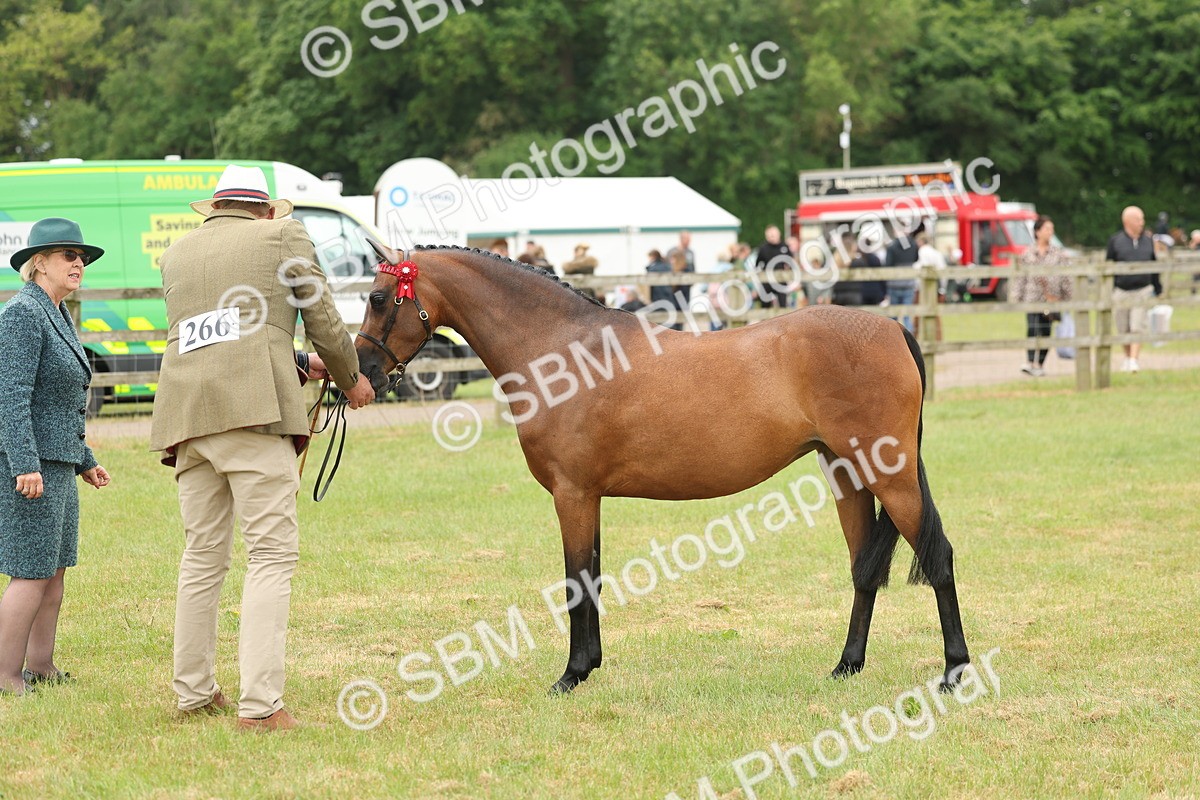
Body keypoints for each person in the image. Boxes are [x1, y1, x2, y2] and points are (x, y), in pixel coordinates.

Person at [149, 165, 375, 731]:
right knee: (271, 555)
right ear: (266, 209)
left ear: (217, 207)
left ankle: (194, 692)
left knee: (202, 558)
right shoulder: (284, 236)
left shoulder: (176, 255)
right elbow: (321, 316)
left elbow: (223, 333)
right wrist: (350, 378)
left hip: (187, 417)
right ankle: (260, 706)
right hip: (254, 415)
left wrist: (298, 363)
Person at [0, 217, 112, 696]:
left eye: (81, 257)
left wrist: (84, 459)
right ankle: (5, 675)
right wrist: (24, 463)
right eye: (69, 255)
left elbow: (58, 402)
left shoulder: (58, 313)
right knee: (30, 571)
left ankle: (41, 667)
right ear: (38, 263)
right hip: (32, 468)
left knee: (55, 570)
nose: (79, 263)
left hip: (60, 465)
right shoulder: (22, 312)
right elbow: (11, 396)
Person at [1014, 216, 1073, 377]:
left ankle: (1040, 364)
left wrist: (1068, 297)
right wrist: (1016, 296)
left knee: (1046, 331)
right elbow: (1021, 277)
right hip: (1032, 297)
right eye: (1047, 229)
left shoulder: (1058, 253)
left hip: (1051, 298)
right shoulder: (1028, 253)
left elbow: (1066, 276)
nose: (1050, 232)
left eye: (1051, 229)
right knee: (1032, 328)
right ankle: (1030, 361)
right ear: (1037, 232)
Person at [1104, 206, 1161, 373]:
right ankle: (1128, 357)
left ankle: (1134, 360)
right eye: (1138, 219)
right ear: (1127, 221)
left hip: (1142, 289)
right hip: (1121, 290)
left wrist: (1158, 288)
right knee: (1123, 327)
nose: (1142, 223)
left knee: (1137, 325)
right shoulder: (1115, 241)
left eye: (1142, 219)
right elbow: (1108, 267)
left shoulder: (1148, 240)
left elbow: (1154, 265)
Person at [884, 223, 922, 332]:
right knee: (907, 316)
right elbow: (915, 259)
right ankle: (910, 340)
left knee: (893, 316)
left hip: (894, 283)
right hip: (908, 282)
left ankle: (891, 338)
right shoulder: (913, 244)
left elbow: (888, 264)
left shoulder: (892, 246)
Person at [754, 225, 793, 308]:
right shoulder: (763, 248)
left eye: (773, 235)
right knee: (765, 306)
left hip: (781, 280)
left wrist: (789, 272)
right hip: (767, 281)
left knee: (783, 306)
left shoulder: (784, 246)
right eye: (770, 235)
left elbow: (791, 262)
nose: (772, 237)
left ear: (778, 234)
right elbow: (757, 265)